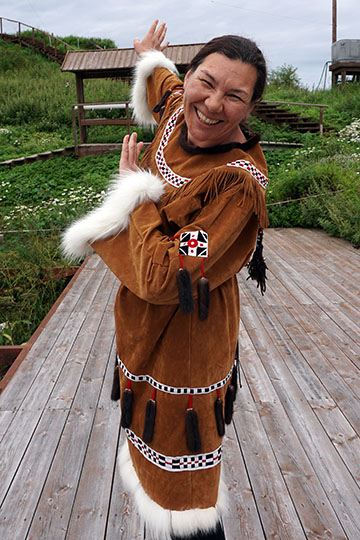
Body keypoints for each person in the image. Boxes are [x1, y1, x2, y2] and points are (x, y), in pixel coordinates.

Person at [62, 20, 268, 540]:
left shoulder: (236, 185)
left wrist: (138, 193)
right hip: (143, 329)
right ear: (192, 73)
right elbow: (165, 87)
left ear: (250, 109)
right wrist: (152, 55)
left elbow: (163, 277)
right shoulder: (181, 109)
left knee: (187, 501)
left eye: (234, 96)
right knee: (151, 470)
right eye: (206, 81)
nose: (213, 103)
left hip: (190, 339)